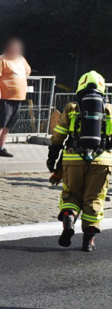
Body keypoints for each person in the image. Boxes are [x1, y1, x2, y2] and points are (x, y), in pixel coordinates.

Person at [47, 71, 112, 252]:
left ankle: (69, 218)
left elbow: (58, 135)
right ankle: (88, 241)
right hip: (102, 160)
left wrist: (53, 157)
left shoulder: (72, 107)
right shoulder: (110, 109)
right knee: (94, 198)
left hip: (73, 158)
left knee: (71, 194)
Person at [0, 38, 31, 158]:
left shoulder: (21, 59)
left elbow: (27, 71)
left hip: (18, 98)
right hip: (5, 97)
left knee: (8, 124)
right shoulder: (1, 60)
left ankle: (0, 148)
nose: (16, 50)